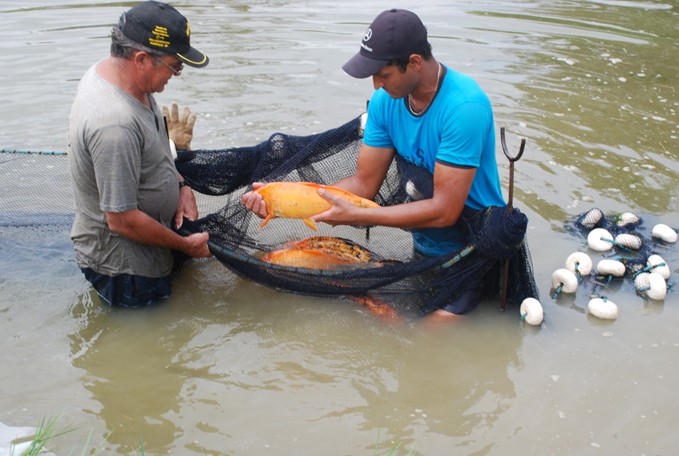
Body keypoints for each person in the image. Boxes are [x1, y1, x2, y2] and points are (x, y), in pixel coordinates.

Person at [242, 9, 505, 319]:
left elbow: (446, 210)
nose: (376, 85)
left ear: (414, 63)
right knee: (382, 319)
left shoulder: (464, 107)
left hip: (473, 250)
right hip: (426, 250)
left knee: (426, 341)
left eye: (384, 74)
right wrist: (280, 199)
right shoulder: (385, 102)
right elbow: (364, 184)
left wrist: (367, 215)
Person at [68, 1, 212, 308]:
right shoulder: (113, 124)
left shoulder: (125, 77)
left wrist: (181, 185)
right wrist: (185, 245)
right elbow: (121, 220)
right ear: (142, 59)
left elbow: (154, 150)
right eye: (175, 65)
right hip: (127, 270)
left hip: (151, 248)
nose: (178, 74)